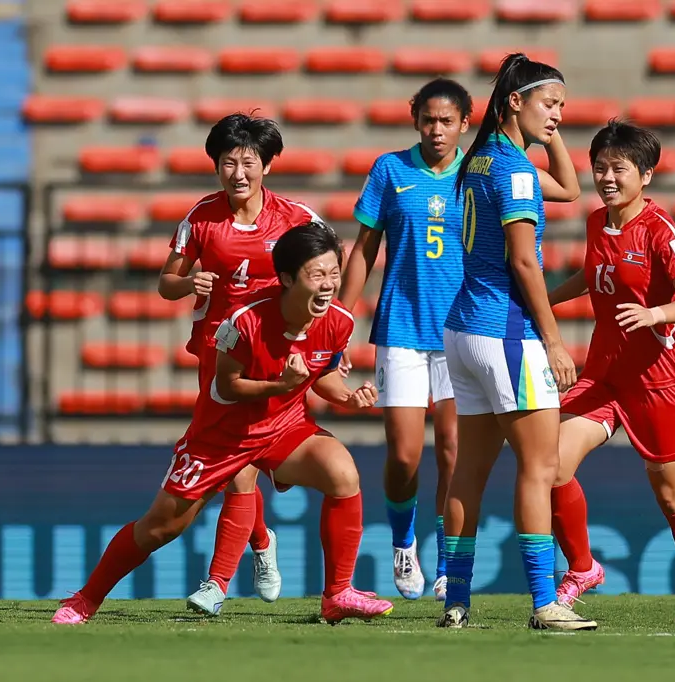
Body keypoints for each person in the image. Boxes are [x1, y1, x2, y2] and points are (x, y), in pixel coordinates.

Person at [52, 222, 394, 625]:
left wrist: (349, 397)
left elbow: (322, 376)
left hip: (284, 427)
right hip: (223, 435)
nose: (328, 285)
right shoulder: (243, 321)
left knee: (343, 474)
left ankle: (338, 594)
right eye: (317, 275)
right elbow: (227, 387)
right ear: (286, 278)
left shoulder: (339, 321)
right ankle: (85, 599)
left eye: (334, 274)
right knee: (161, 527)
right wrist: (279, 384)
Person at [436, 53, 595, 631]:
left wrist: (547, 133)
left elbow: (572, 190)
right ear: (515, 103)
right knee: (540, 466)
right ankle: (544, 602)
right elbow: (526, 262)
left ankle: (454, 602)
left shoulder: (477, 160)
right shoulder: (516, 172)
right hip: (506, 333)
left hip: (462, 331)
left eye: (563, 108)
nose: (558, 117)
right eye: (550, 105)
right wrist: (553, 341)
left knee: (468, 473)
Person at [547, 119, 675, 623]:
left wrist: (655, 314)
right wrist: (542, 300)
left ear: (644, 175)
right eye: (599, 168)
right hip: (603, 377)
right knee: (551, 466)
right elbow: (590, 274)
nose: (606, 177)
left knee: (670, 496)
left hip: (656, 383)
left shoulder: (662, 231)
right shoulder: (597, 221)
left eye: (618, 168)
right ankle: (582, 568)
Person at [156, 113, 323, 615]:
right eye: (228, 162)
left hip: (275, 356)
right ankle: (250, 554)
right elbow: (167, 282)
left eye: (248, 161)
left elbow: (325, 275)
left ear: (267, 165)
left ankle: (224, 576)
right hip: (218, 357)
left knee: (243, 468)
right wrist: (190, 284)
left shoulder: (296, 219)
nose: (238, 172)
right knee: (239, 471)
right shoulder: (202, 218)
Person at [338, 78, 470, 601]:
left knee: (455, 451)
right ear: (415, 117)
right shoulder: (389, 170)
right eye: (428, 120)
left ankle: (448, 564)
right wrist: (339, 322)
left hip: (463, 330)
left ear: (465, 122)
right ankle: (402, 543)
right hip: (402, 328)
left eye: (446, 121)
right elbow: (363, 252)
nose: (436, 130)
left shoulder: (479, 172)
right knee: (405, 457)